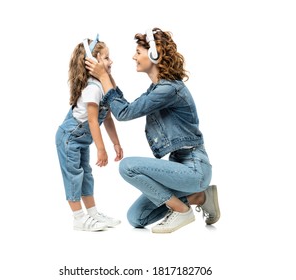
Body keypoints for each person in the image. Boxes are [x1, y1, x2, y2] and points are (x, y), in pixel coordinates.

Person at [85, 28, 220, 233]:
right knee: (136, 218)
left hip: (194, 169)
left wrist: (104, 78)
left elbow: (123, 114)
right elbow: (126, 106)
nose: (134, 56)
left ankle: (182, 210)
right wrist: (108, 78)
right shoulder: (157, 89)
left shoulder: (169, 89)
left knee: (128, 167)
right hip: (179, 168)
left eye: (138, 52)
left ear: (155, 55)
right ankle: (199, 196)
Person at [55, 34, 124, 232]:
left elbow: (108, 117)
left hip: (81, 140)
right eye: (106, 57)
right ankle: (78, 218)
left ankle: (92, 213)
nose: (111, 61)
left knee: (86, 175)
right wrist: (101, 150)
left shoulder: (104, 86)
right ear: (92, 62)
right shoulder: (92, 89)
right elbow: (93, 120)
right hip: (70, 138)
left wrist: (115, 143)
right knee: (74, 175)